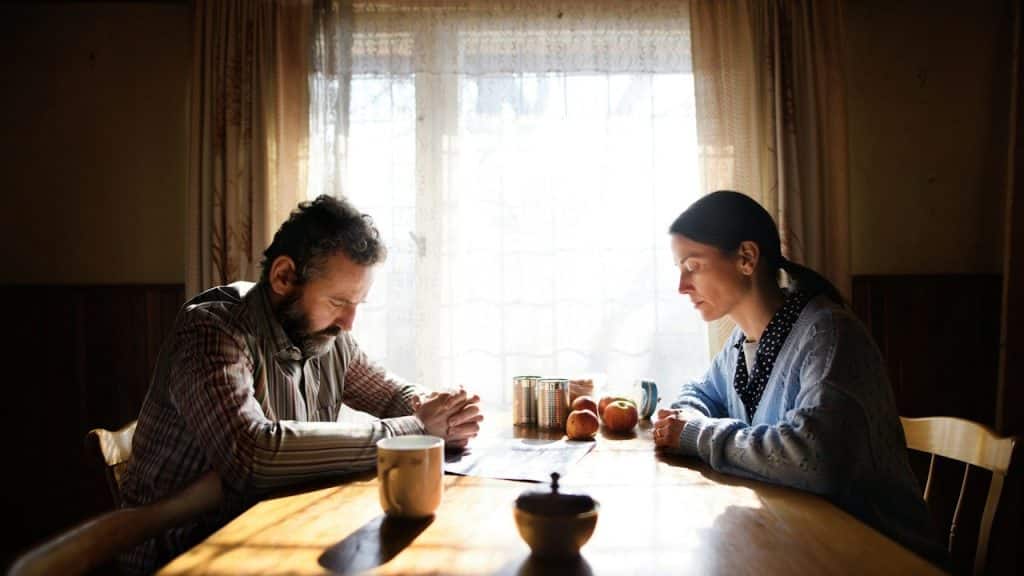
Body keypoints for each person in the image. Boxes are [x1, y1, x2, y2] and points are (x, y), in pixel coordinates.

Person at [121, 195, 483, 573]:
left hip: (266, 530)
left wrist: (438, 409)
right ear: (283, 277)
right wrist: (417, 429)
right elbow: (250, 452)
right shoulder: (212, 330)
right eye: (338, 301)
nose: (348, 322)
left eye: (358, 303)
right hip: (180, 553)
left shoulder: (326, 334)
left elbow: (391, 393)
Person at [653, 190, 946, 566]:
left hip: (883, 556)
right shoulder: (742, 342)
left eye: (692, 266)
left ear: (746, 258)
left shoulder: (828, 334)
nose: (682, 286)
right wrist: (686, 419)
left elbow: (814, 458)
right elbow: (700, 392)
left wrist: (694, 433)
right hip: (809, 545)